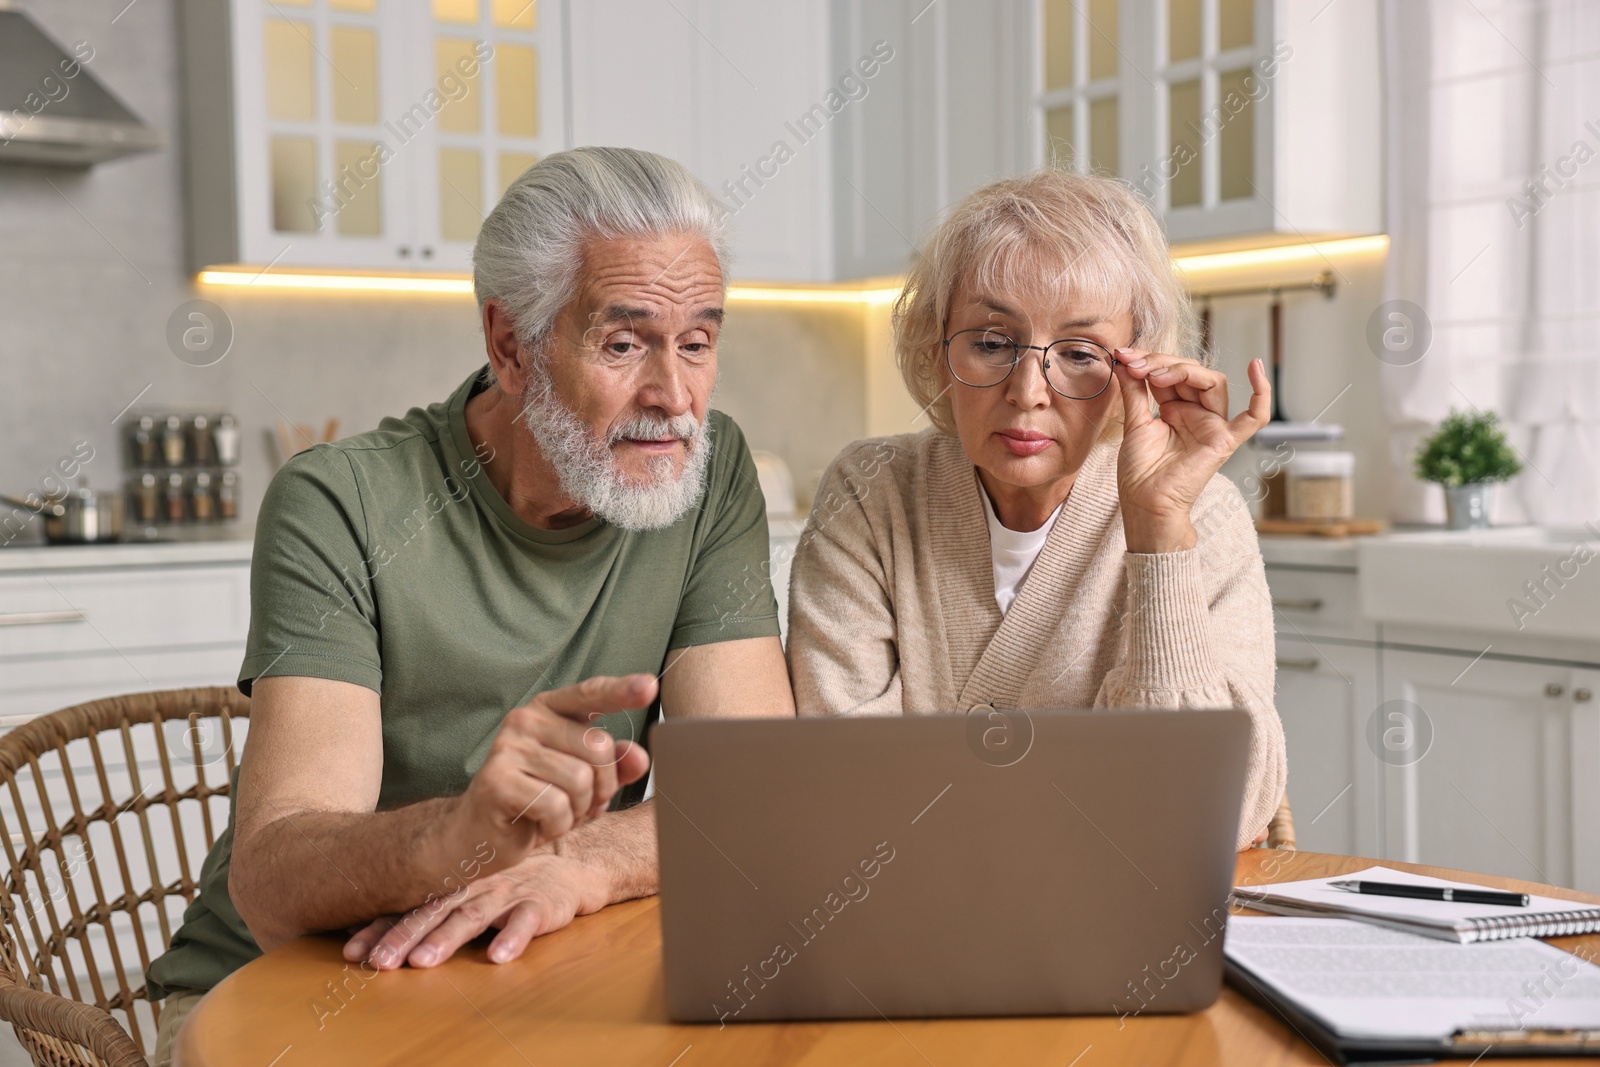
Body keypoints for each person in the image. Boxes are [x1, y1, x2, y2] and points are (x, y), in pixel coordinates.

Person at [145, 147, 795, 1064]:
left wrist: (575, 863)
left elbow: (761, 800)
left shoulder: (709, 472)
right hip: (285, 988)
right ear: (509, 345)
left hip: (533, 960)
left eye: (697, 341)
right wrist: (462, 837)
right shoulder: (340, 501)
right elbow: (273, 880)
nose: (674, 395)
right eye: (624, 342)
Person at [785, 169, 1287, 849]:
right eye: (992, 343)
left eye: (1079, 353)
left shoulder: (1205, 514)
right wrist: (1096, 807)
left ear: (1137, 369)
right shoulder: (871, 491)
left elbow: (1208, 813)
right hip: (910, 918)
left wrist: (1158, 532)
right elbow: (843, 784)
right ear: (938, 347)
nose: (1028, 391)